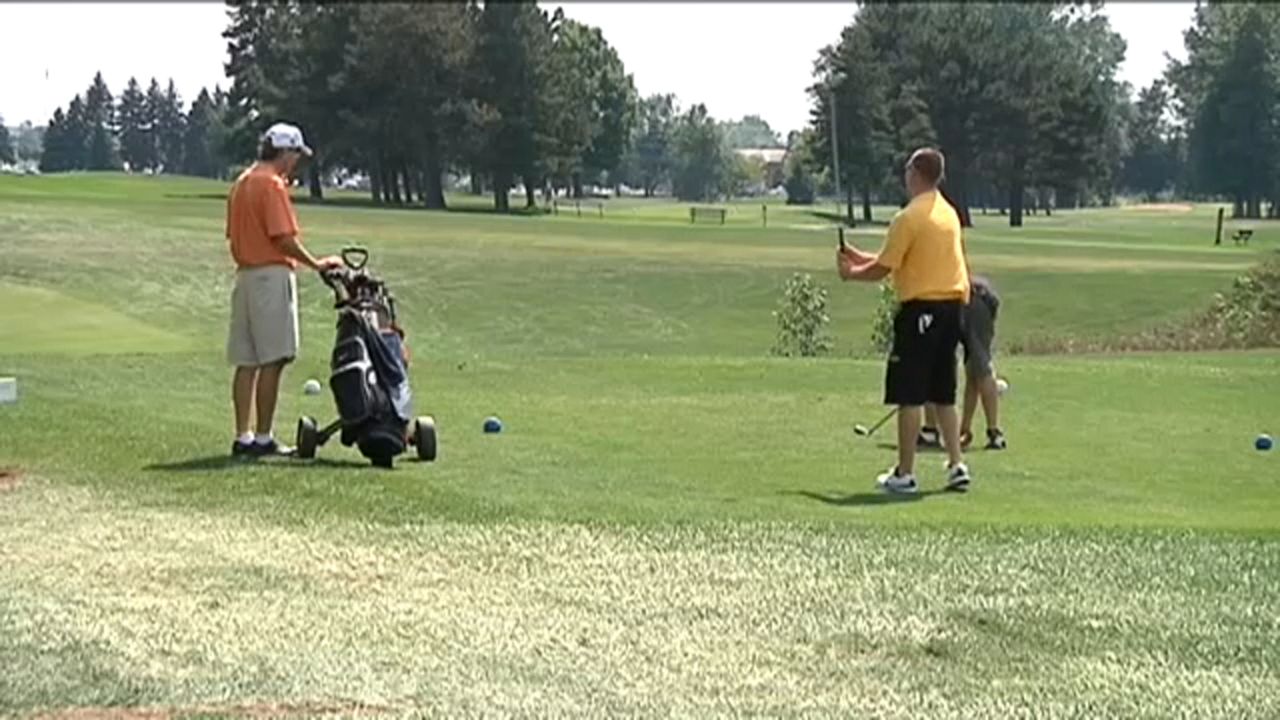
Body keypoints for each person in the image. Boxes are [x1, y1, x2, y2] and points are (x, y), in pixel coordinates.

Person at [837, 147, 972, 493]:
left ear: (915, 173)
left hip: (921, 311)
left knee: (909, 393)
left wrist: (851, 273)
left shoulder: (908, 217)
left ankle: (905, 473)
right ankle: (957, 464)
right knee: (943, 393)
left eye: (907, 169)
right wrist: (857, 257)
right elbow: (898, 259)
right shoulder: (947, 212)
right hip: (953, 308)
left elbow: (883, 269)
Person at [225, 122, 342, 457]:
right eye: (295, 155)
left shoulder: (242, 182)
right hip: (270, 277)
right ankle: (263, 438)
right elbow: (282, 238)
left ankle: (242, 435)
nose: (296, 163)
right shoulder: (271, 184)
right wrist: (316, 263)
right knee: (274, 358)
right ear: (285, 151)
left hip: (245, 276)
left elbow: (234, 236)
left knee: (246, 361)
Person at [920, 274, 1007, 451]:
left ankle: (931, 430)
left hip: (970, 299)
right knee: (974, 368)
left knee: (977, 365)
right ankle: (969, 430)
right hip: (973, 298)